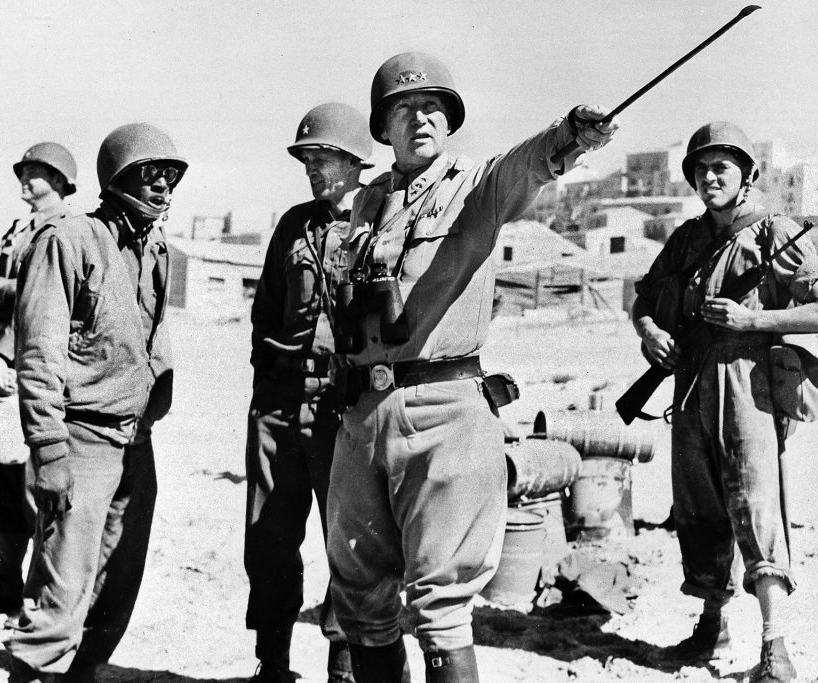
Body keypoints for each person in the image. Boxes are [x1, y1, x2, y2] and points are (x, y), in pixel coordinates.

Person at [324, 52, 617, 682]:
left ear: (450, 121)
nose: (420, 118)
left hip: (445, 413)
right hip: (363, 415)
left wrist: (569, 134)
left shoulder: (475, 188)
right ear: (384, 127)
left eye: (433, 107)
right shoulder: (366, 204)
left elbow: (529, 163)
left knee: (441, 602)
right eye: (404, 108)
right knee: (359, 595)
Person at [633, 121, 818, 683]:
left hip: (748, 388)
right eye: (701, 168)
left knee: (755, 504)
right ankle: (711, 627)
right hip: (691, 384)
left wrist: (755, 319)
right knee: (698, 509)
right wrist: (650, 332)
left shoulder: (776, 233)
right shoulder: (685, 239)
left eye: (722, 167)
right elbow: (646, 301)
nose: (710, 177)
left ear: (747, 174)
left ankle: (776, 647)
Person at [5, 123, 180, 682]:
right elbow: (38, 352)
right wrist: (49, 451)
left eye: (170, 178)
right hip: (80, 443)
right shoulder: (68, 240)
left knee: (115, 591)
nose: (163, 188)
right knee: (59, 598)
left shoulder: (156, 250)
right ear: (118, 179)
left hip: (135, 443)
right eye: (150, 176)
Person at [246, 102, 373, 683]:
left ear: (354, 161)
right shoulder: (291, 226)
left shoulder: (381, 220)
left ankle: (343, 669)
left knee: (346, 544)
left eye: (323, 159)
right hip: (278, 404)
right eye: (307, 160)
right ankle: (271, 666)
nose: (313, 170)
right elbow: (266, 311)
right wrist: (267, 393)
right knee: (269, 539)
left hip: (342, 406)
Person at [0, 142, 77, 624]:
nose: (25, 179)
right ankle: (7, 584)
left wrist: (7, 354)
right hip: (1, 368)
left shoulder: (64, 227)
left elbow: (39, 300)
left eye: (37, 172)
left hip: (33, 369)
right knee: (1, 482)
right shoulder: (18, 228)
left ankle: (35, 594)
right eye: (23, 171)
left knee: (36, 488)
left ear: (62, 180)